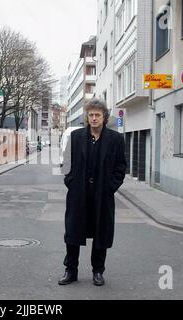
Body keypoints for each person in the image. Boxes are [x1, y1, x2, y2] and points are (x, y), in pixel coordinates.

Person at [59, 98, 127, 286]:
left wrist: (111, 188)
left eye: (98, 115)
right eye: (91, 115)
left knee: (101, 233)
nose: (94, 118)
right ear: (87, 117)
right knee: (72, 232)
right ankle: (70, 271)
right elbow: (66, 164)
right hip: (78, 195)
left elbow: (121, 167)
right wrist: (71, 183)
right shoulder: (76, 137)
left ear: (104, 117)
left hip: (102, 197)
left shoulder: (115, 139)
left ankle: (98, 271)